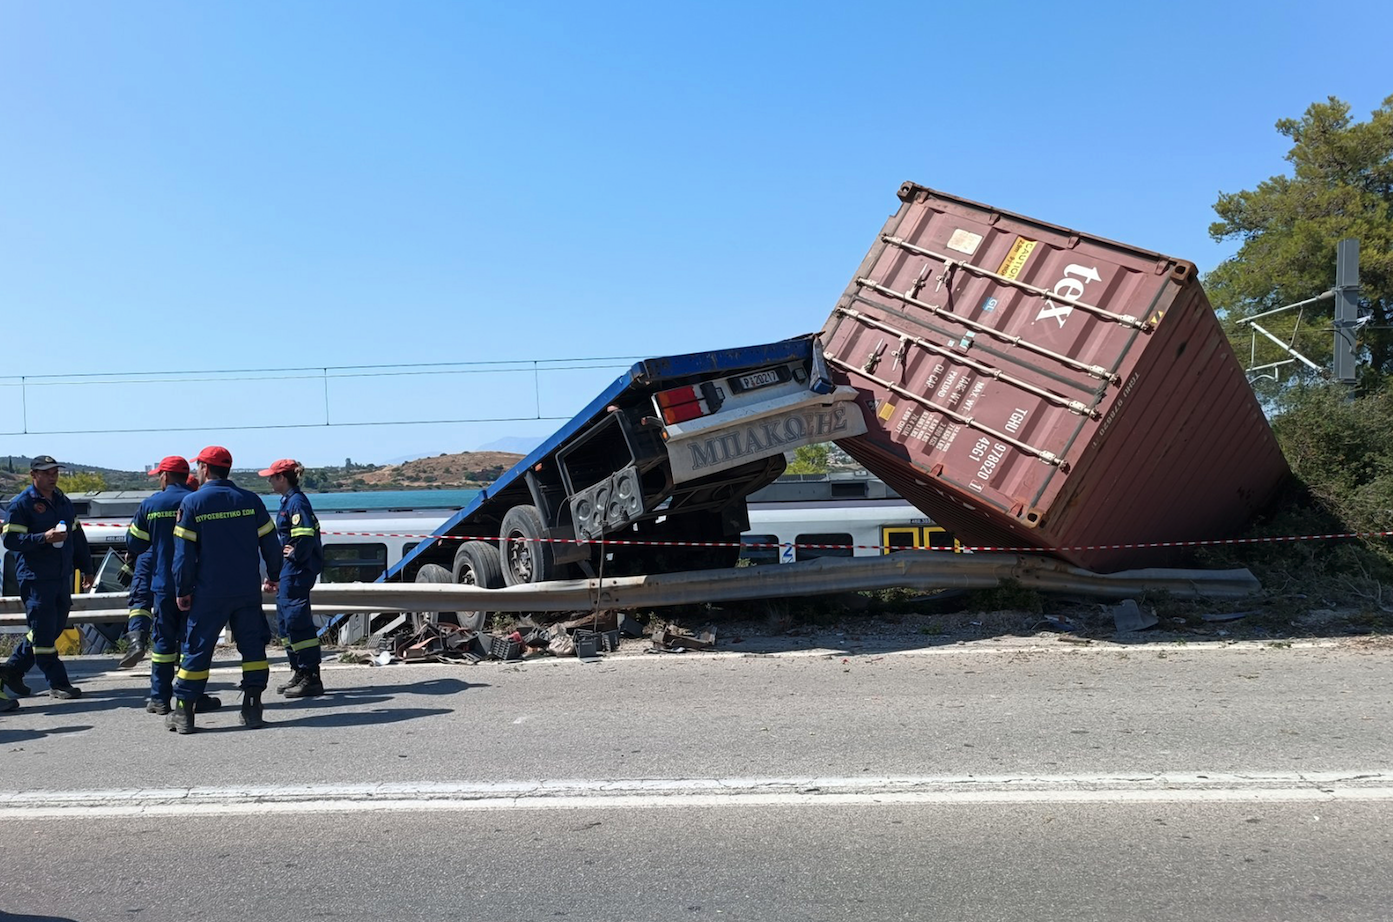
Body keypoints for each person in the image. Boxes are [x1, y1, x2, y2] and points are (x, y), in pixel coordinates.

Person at [168, 446, 282, 734]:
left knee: (198, 649)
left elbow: (183, 555)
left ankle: (184, 713)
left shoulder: (193, 503)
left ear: (205, 469)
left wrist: (182, 589)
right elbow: (271, 544)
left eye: (198, 467)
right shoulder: (251, 500)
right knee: (253, 649)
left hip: (208, 592)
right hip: (245, 590)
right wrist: (274, 575)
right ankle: (253, 707)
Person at [126, 456, 221, 716]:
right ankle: (193, 696)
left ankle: (159, 699)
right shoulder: (199, 501)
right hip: (197, 584)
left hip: (164, 585)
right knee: (193, 644)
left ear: (165, 476)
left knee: (163, 644)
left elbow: (135, 544)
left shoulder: (151, 504)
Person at [1, 456, 94, 700]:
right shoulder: (22, 504)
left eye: (55, 472)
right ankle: (58, 682)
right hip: (36, 577)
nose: (52, 477)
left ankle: (13, 668)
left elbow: (77, 536)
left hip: (61, 575)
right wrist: (43, 537)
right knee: (43, 632)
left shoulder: (63, 500)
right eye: (46, 473)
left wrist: (87, 568)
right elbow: (10, 541)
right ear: (34, 475)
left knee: (50, 628)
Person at [260, 458, 325, 698]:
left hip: (297, 570)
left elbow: (305, 536)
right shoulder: (289, 501)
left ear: (282, 478)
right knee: (287, 622)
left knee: (297, 620)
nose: (268, 481)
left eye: (271, 477)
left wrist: (295, 553)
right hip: (290, 570)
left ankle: (311, 675)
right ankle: (299, 670)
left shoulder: (297, 502)